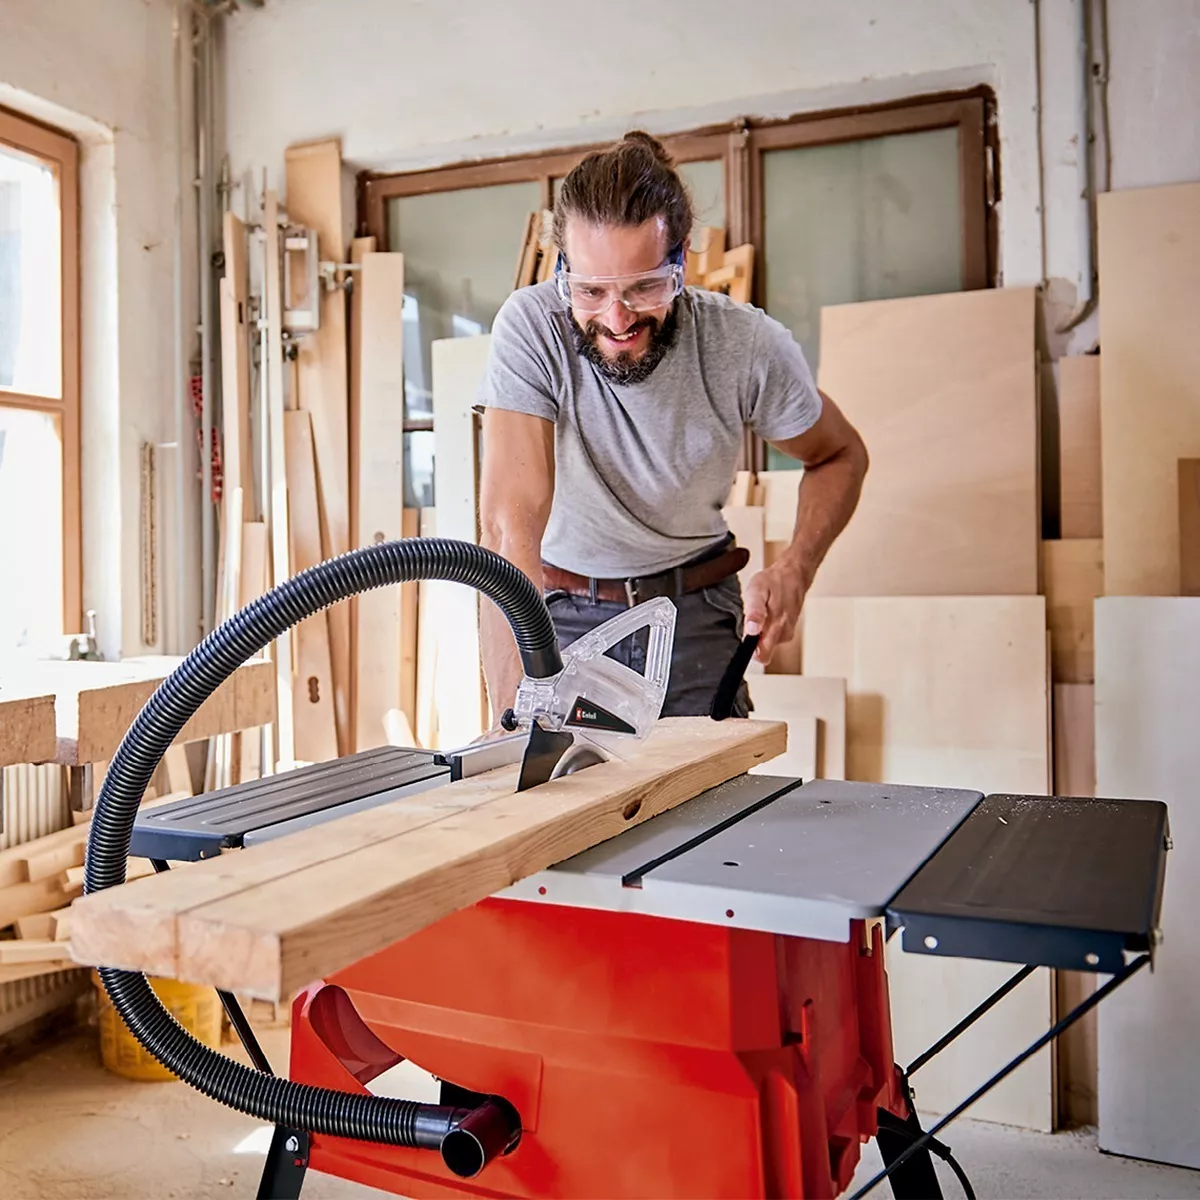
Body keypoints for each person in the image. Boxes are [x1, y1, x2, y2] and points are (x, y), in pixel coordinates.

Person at [475, 130, 867, 724]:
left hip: (696, 614)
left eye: (644, 287)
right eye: (589, 291)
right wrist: (511, 717)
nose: (616, 318)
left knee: (715, 808)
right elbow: (510, 532)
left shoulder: (743, 345)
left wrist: (796, 568)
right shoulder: (533, 329)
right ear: (562, 269)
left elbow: (839, 454)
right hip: (561, 617)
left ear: (682, 258)